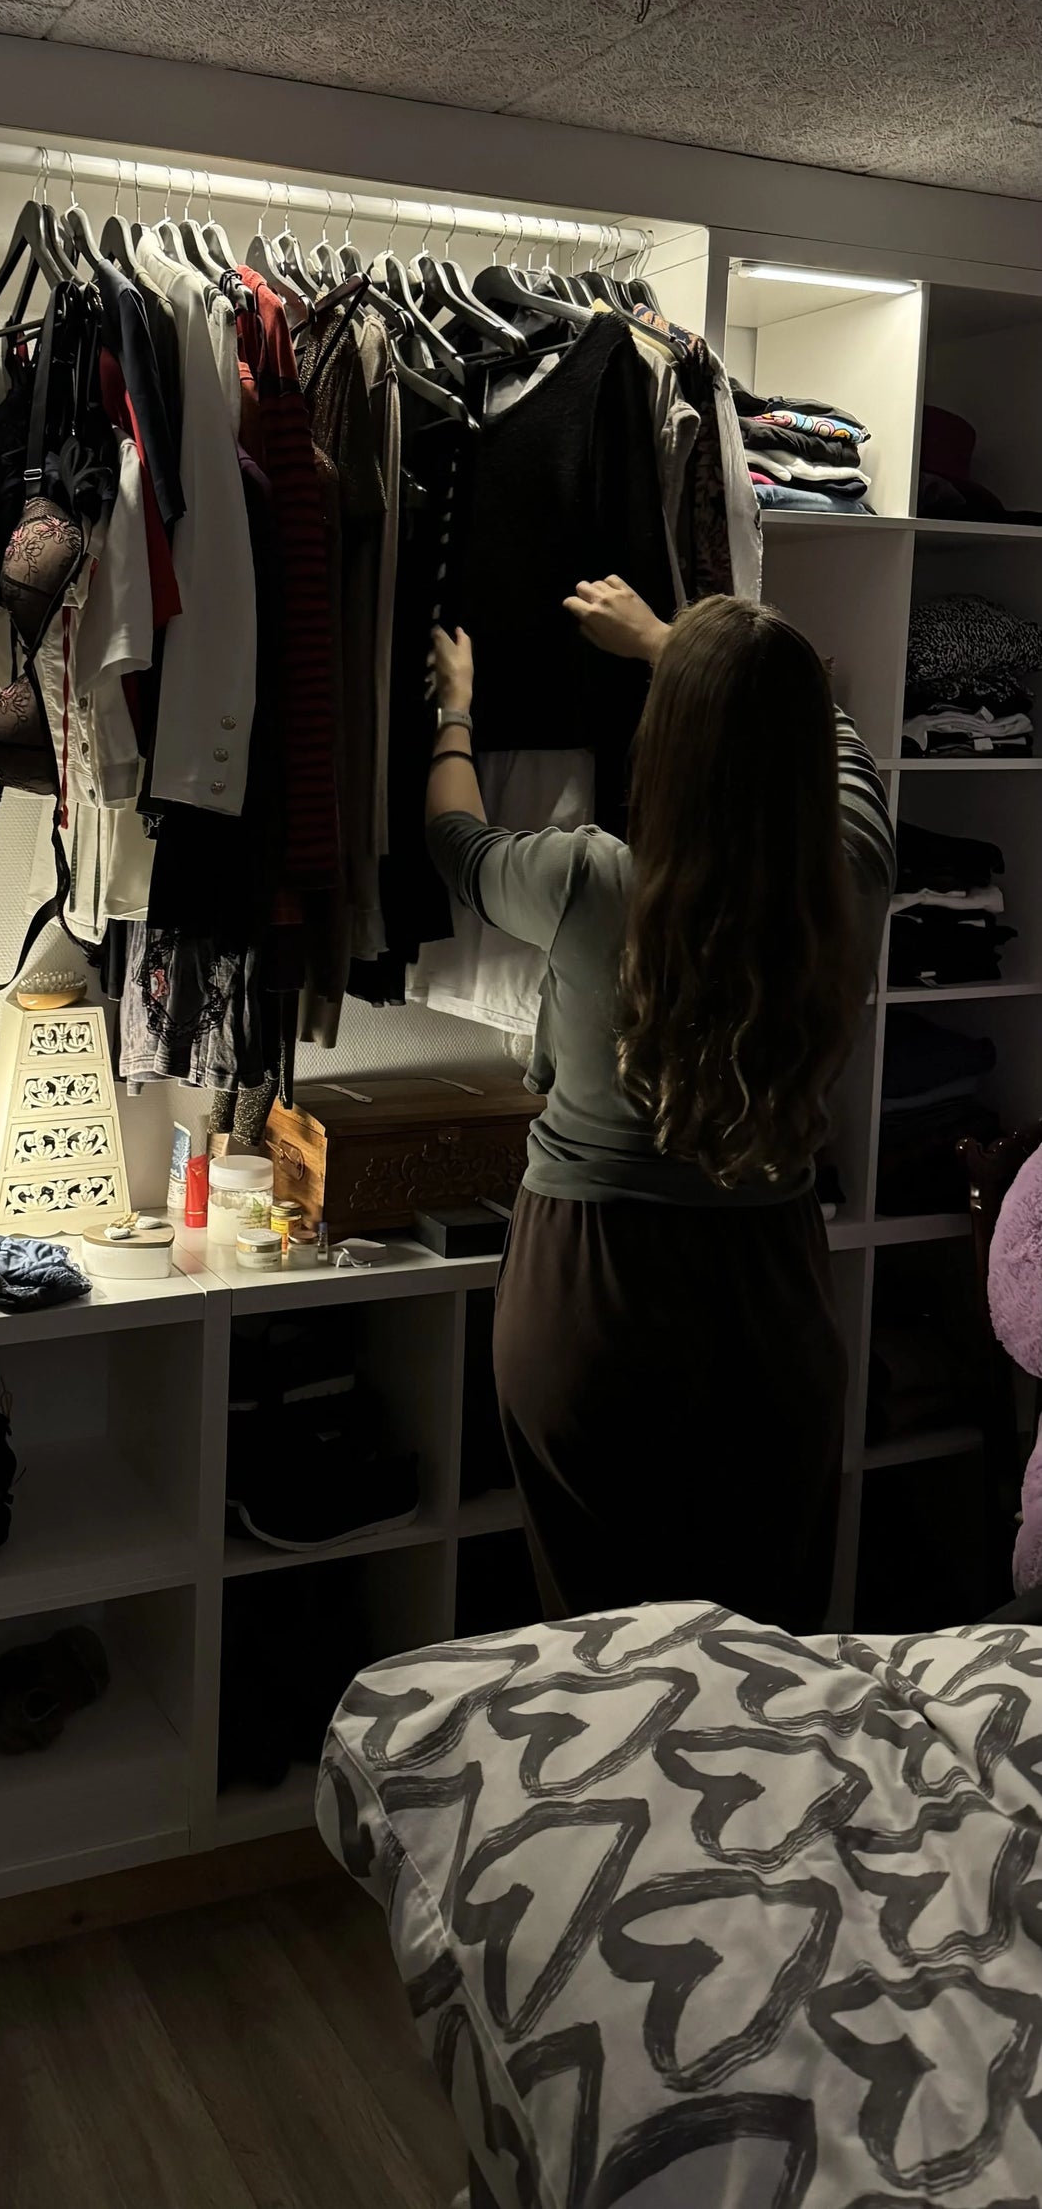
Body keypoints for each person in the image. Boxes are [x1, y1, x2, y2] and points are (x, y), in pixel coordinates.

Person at [426, 579, 895, 1631]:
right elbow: (832, 732)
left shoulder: (590, 882)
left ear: (666, 744)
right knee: (762, 1654)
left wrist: (456, 708)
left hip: (593, 1294)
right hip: (773, 1293)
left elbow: (456, 842)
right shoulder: (853, 875)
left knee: (602, 1650)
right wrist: (667, 643)